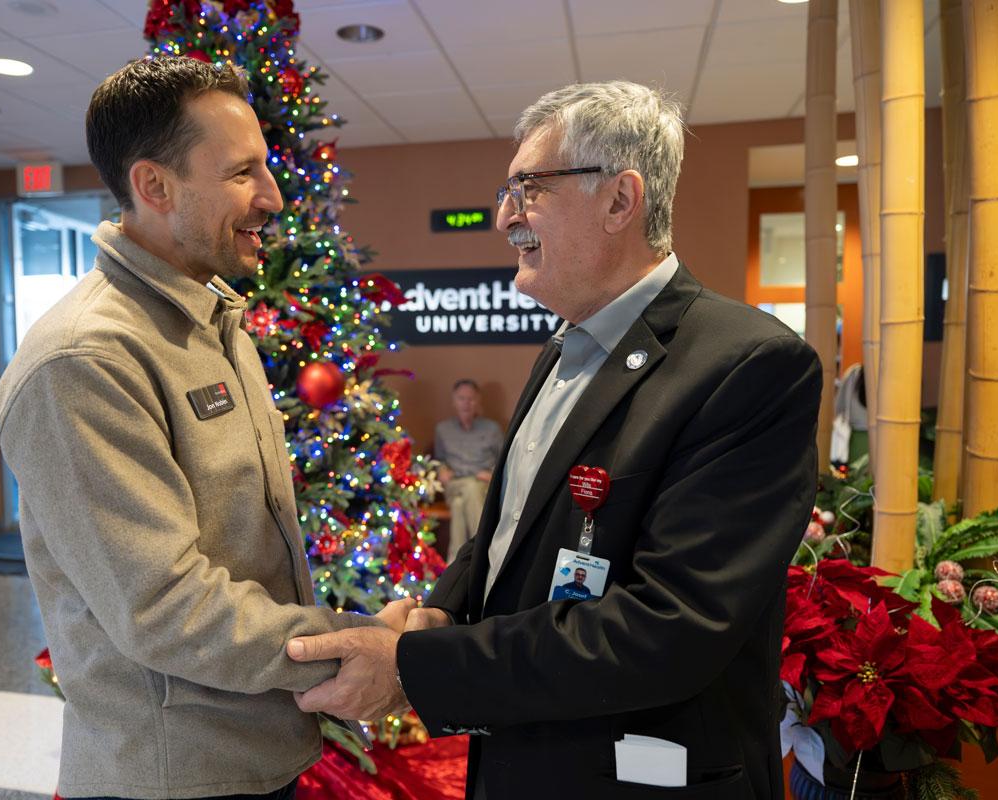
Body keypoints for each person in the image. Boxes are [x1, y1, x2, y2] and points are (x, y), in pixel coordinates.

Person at [286, 81, 821, 799]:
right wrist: (440, 609)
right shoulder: (563, 347)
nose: (505, 216)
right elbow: (512, 530)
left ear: (620, 200)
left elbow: (669, 629)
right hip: (522, 761)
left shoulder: (750, 365)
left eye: (527, 189)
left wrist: (417, 666)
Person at [0, 57, 406, 800]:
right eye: (243, 173)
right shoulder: (85, 359)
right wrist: (356, 651)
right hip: (174, 777)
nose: (274, 198)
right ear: (154, 186)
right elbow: (164, 607)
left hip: (258, 755)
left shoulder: (216, 321)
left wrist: (364, 635)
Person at [434, 379, 503, 560]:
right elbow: (439, 460)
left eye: (471, 399)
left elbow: (504, 461)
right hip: (454, 484)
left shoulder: (492, 429)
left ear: (478, 401)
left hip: (483, 486)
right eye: (461, 398)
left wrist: (492, 474)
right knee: (469, 488)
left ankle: (454, 563)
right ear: (453, 401)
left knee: (460, 503)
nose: (466, 403)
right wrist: (441, 470)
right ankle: (482, 552)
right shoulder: (443, 429)